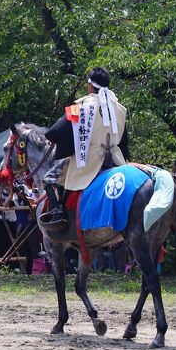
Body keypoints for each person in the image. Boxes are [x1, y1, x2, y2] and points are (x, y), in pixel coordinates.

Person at [40, 67, 129, 230]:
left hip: (89, 159)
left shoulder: (80, 106)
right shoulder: (119, 108)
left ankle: (58, 212)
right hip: (116, 159)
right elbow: (124, 140)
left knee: (48, 178)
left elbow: (55, 132)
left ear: (90, 85)